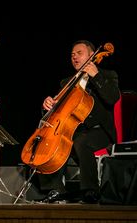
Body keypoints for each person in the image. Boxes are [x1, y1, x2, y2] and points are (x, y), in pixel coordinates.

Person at [39, 40, 120, 204]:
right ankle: (55, 190)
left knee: (81, 141)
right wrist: (47, 105)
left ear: (91, 55)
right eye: (72, 55)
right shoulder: (66, 82)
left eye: (79, 53)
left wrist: (95, 75)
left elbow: (112, 98)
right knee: (49, 141)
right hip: (74, 129)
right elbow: (57, 111)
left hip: (99, 131)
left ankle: (90, 190)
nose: (74, 57)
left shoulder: (107, 75)